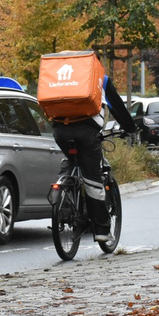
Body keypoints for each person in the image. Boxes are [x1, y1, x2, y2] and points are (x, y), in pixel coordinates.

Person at [51, 75, 136, 242]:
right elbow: (116, 106)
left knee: (72, 160)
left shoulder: (62, 77)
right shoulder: (101, 79)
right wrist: (130, 128)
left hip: (60, 131)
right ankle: (102, 230)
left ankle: (64, 201)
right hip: (87, 133)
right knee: (93, 180)